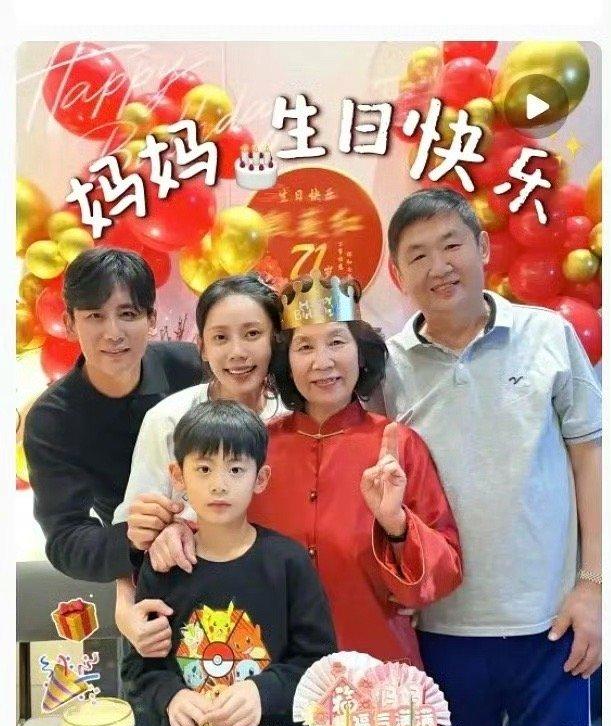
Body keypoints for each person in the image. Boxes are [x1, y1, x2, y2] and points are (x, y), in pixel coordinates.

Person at [145, 272, 462, 666]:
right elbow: (220, 531)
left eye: (337, 342)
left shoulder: (397, 446)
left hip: (375, 663)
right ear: (286, 360)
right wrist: (178, 530)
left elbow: (442, 575)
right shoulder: (257, 447)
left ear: (360, 352)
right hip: (270, 670)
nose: (321, 362)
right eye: (305, 346)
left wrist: (397, 526)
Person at [385, 187, 602, 726]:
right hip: (440, 630)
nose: (439, 266)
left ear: (482, 247)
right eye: (418, 255)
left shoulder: (547, 335)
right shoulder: (387, 364)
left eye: (451, 245)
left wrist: (593, 586)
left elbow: (591, 458)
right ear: (398, 273)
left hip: (552, 623)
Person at [120, 401, 336, 726]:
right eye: (204, 469)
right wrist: (172, 697)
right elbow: (139, 667)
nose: (219, 484)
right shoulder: (164, 567)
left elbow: (319, 663)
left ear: (260, 478)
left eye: (236, 469)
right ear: (178, 476)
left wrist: (262, 691)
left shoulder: (288, 563)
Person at [112, 274, 286, 657]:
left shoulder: (294, 418)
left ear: (275, 340)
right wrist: (125, 612)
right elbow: (132, 535)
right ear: (202, 348)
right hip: (194, 616)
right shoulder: (169, 420)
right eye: (220, 337)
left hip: (281, 608)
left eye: (252, 334)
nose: (237, 352)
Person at [24, 247, 202, 595]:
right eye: (95, 316)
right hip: (145, 573)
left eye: (128, 314)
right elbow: (65, 538)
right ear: (70, 323)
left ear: (151, 319)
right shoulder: (52, 421)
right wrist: (131, 539)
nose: (113, 332)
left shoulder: (193, 369)